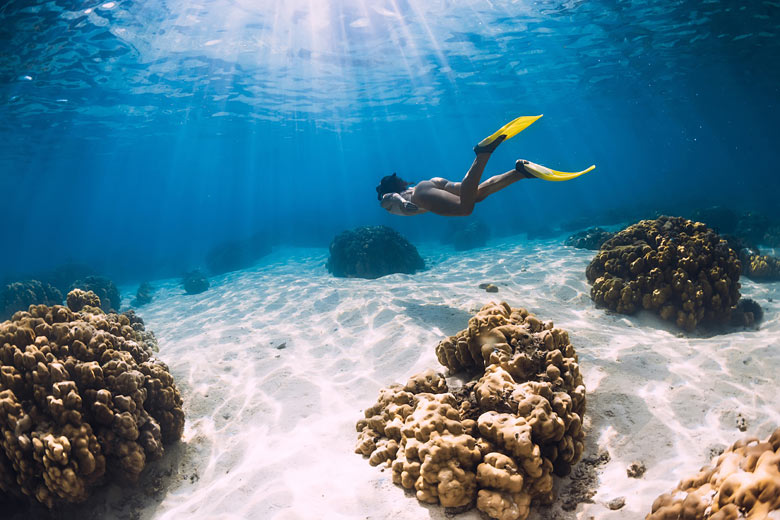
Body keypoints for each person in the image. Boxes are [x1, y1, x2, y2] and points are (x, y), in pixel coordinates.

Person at [376, 115, 594, 217]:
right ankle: (520, 172)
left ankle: (482, 153)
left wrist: (403, 204)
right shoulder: (406, 189)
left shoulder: (392, 201)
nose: (403, 179)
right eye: (398, 180)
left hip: (421, 195)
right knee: (476, 194)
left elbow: (389, 199)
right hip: (432, 183)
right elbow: (393, 195)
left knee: (465, 208)